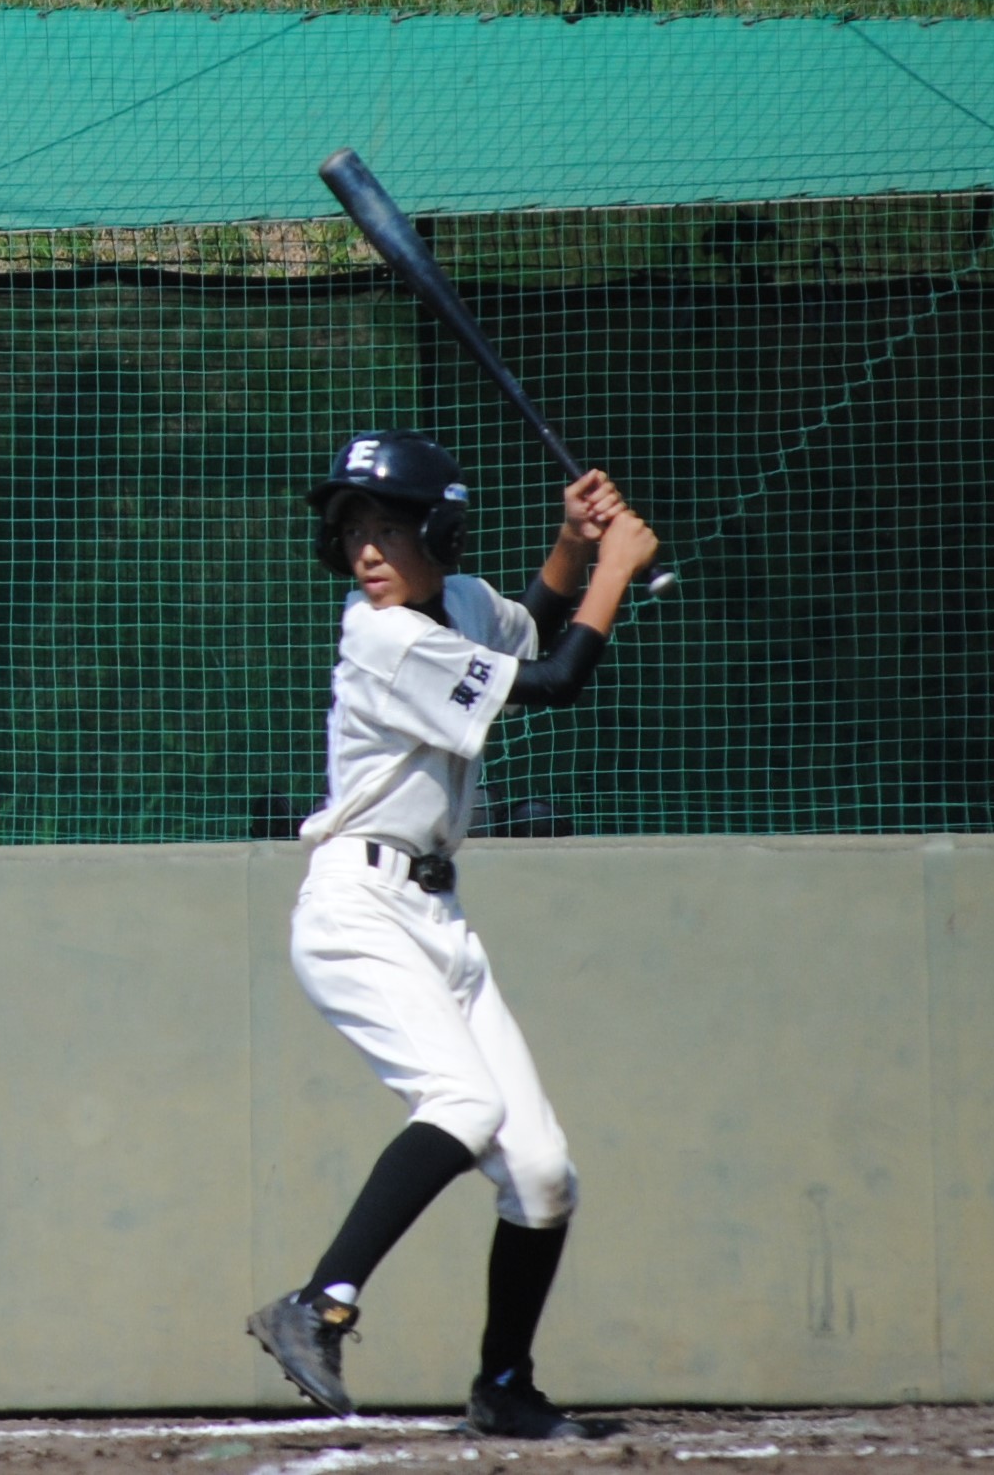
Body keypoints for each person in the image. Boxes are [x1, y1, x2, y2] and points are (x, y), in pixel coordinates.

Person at [247, 430, 658, 1439]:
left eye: (387, 529)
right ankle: (317, 1303)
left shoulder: (460, 603)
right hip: (358, 908)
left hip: (437, 916)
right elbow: (555, 682)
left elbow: (533, 628)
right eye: (352, 531)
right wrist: (616, 570)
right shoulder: (381, 636)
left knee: (542, 1176)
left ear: (438, 531)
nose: (366, 551)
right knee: (464, 1104)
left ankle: (504, 1385)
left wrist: (574, 546)